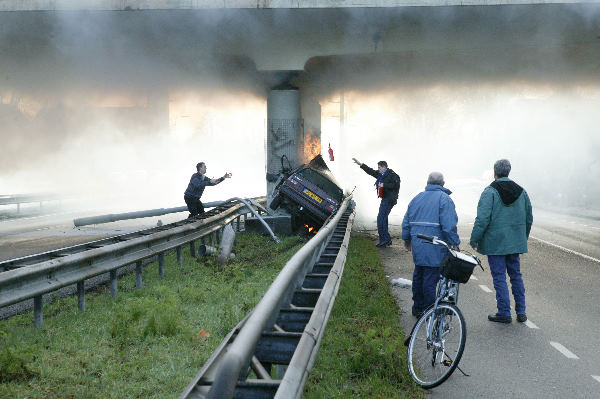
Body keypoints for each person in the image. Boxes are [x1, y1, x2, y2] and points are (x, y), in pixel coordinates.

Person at [470, 159, 533, 324]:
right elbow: (529, 218)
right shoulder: (522, 192)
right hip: (514, 243)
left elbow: (482, 219)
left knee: (499, 277)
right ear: (509, 171)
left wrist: (475, 239)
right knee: (516, 276)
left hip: (495, 243)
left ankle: (504, 312)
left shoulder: (489, 192)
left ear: (494, 172)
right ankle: (521, 311)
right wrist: (522, 238)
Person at [402, 172, 460, 317]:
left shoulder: (416, 198)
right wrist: (454, 242)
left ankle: (417, 308)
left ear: (427, 182)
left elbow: (406, 221)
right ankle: (429, 310)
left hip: (418, 244)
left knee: (419, 275)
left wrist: (407, 239)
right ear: (443, 184)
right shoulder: (445, 200)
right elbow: (448, 225)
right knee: (430, 279)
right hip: (435, 246)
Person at [352, 157, 400, 247]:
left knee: (380, 219)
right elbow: (371, 171)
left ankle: (384, 240)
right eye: (378, 168)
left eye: (379, 168)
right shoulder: (381, 174)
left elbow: (395, 185)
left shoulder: (392, 175)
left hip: (389, 200)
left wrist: (384, 185)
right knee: (383, 219)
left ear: (384, 167)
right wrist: (360, 164)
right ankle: (387, 239)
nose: (378, 170)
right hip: (385, 199)